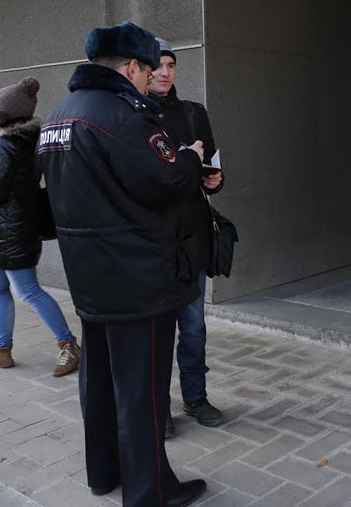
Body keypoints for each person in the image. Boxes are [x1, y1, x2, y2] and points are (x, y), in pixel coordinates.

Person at [38, 21, 207, 506]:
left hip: (91, 278)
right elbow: (166, 180)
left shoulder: (58, 116)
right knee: (142, 392)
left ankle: (104, 474)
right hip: (139, 279)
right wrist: (190, 159)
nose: (150, 77)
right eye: (148, 68)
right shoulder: (125, 116)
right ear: (131, 66)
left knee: (99, 384)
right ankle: (150, 492)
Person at [0, 77, 80, 377]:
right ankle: (1, 349)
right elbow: (12, 183)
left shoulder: (3, 144)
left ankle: (69, 345)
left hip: (10, 230)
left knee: (28, 290)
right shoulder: (29, 139)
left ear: (5, 112)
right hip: (16, 226)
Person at [148, 38, 225, 435]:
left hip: (192, 238)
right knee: (158, 332)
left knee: (193, 326)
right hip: (153, 242)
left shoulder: (195, 113)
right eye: (157, 65)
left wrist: (215, 180)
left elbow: (213, 166)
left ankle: (195, 398)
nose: (165, 72)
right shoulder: (135, 116)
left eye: (171, 65)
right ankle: (158, 408)